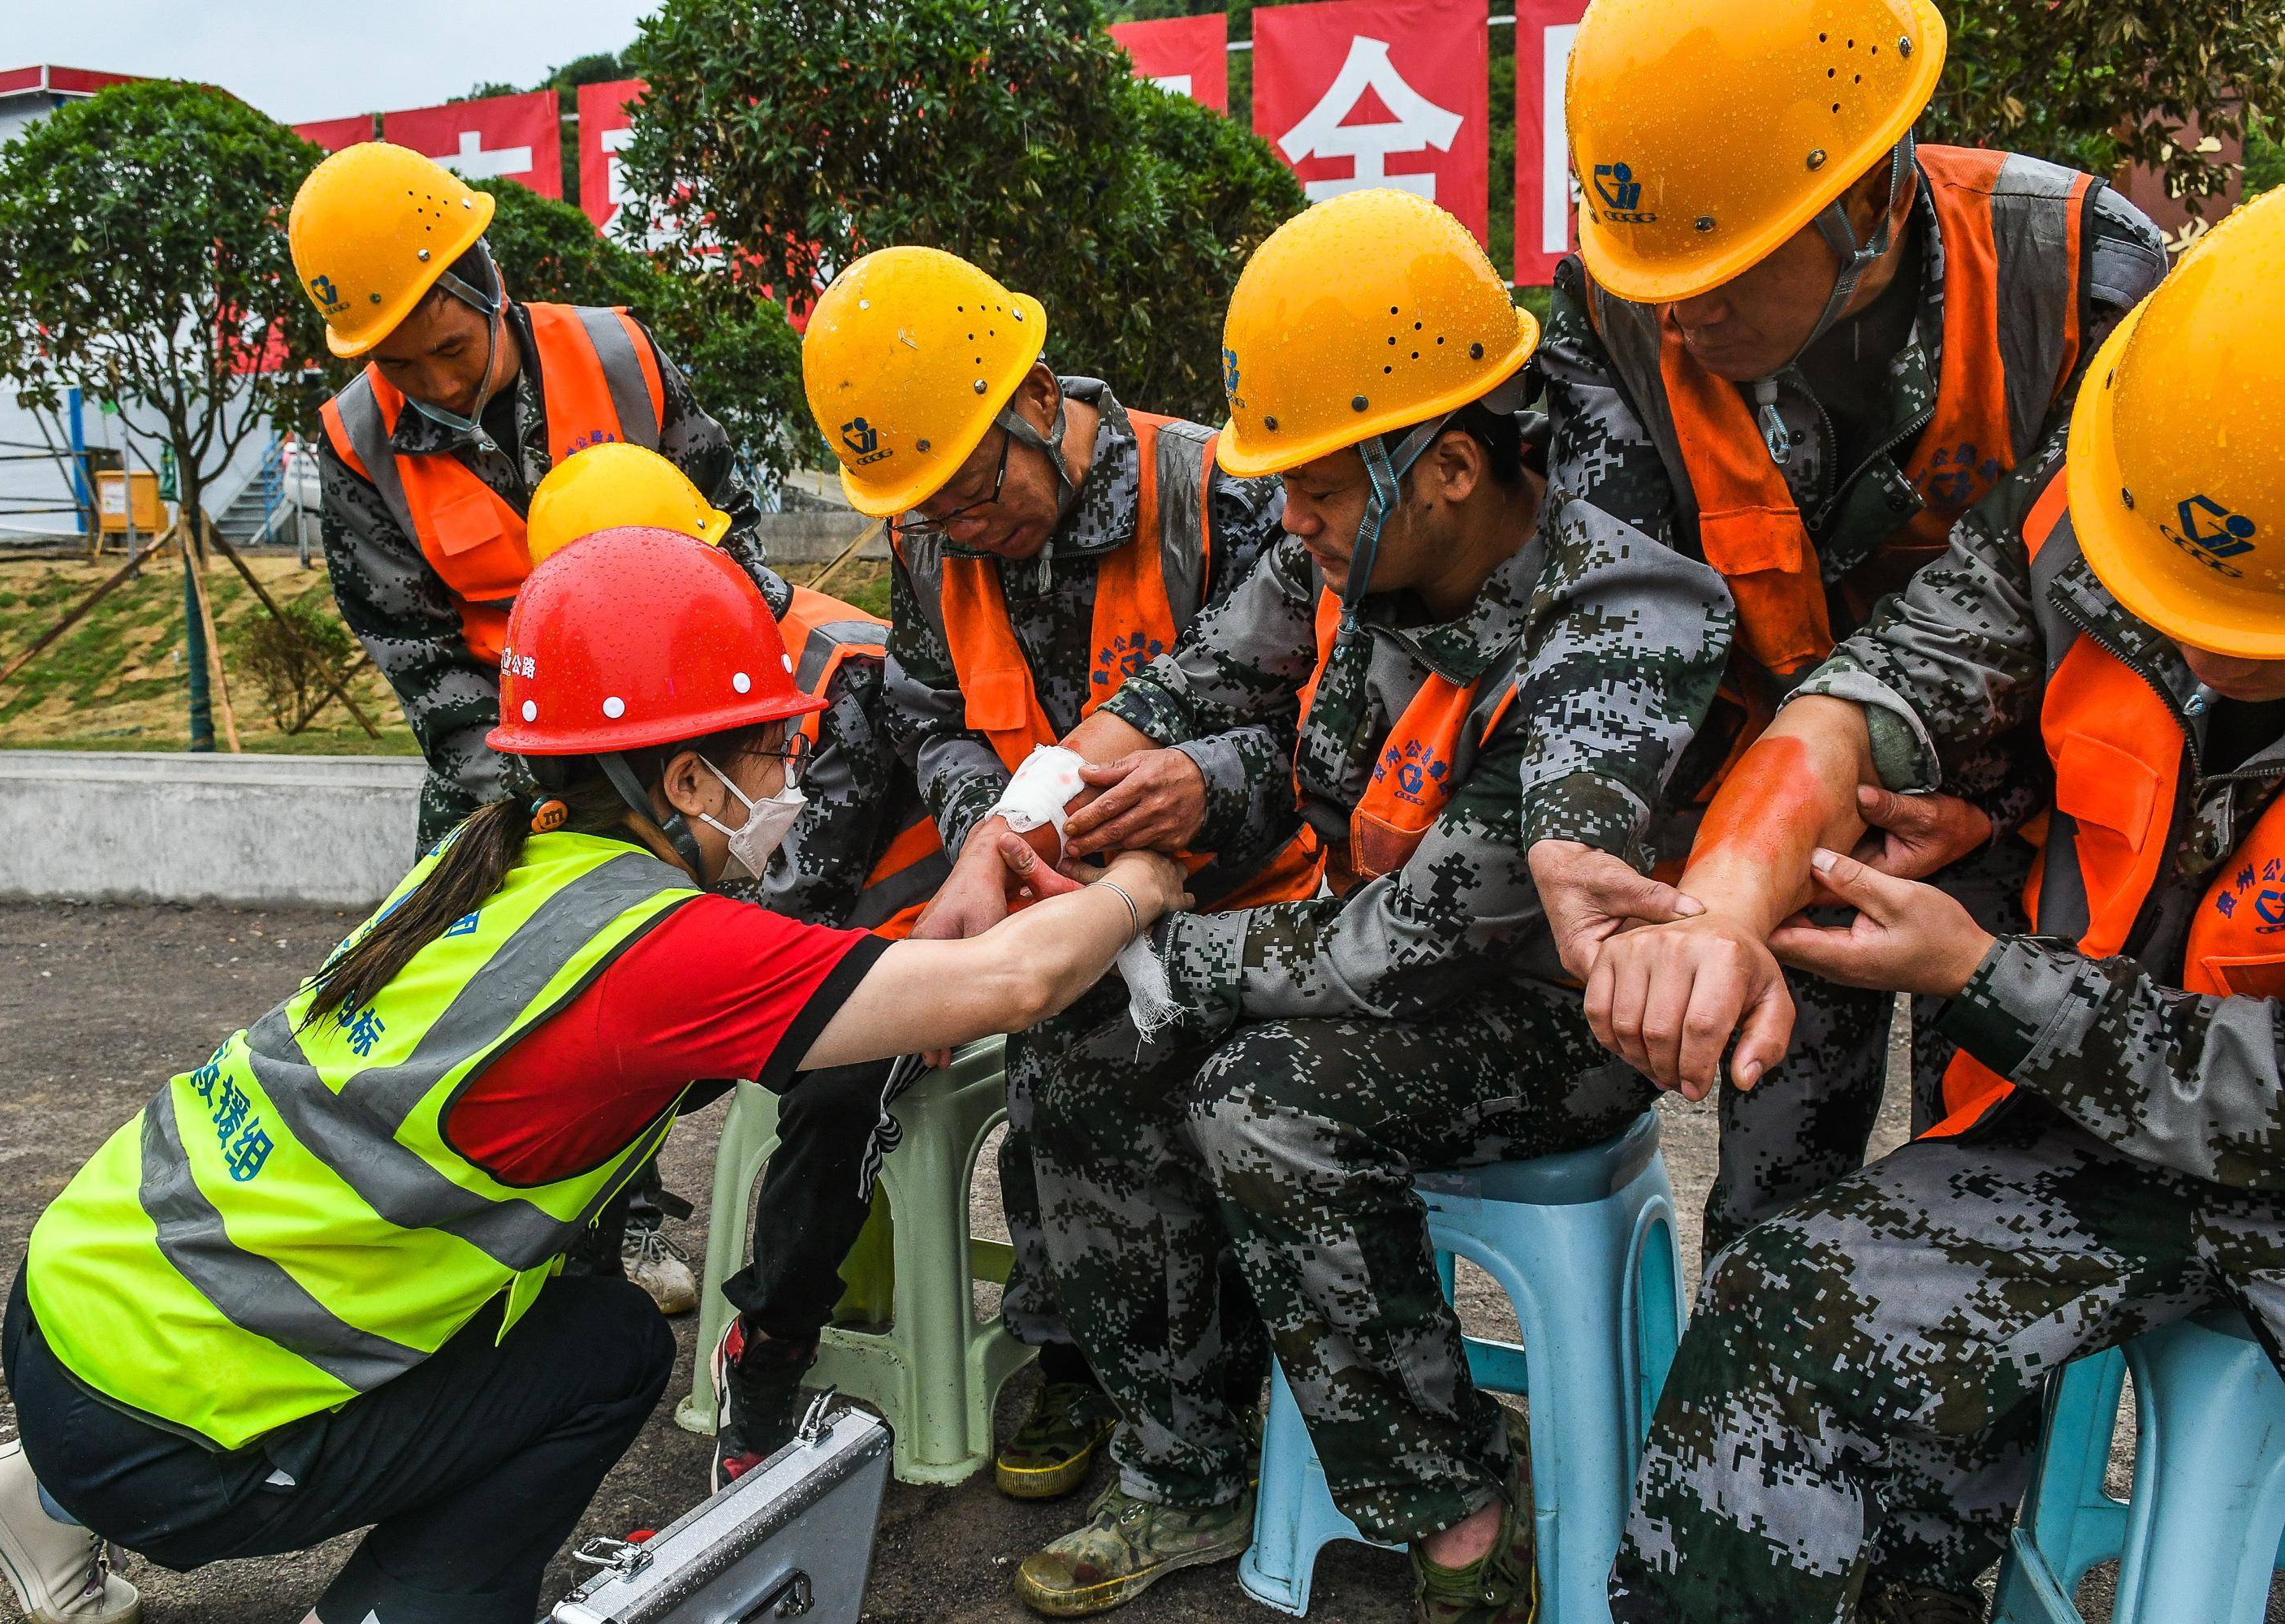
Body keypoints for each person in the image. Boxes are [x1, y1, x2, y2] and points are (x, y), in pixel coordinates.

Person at [0, 527, 1187, 1624]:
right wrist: (1145, 882)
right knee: (602, 1353)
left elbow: (840, 995)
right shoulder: (660, 953)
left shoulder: (496, 861)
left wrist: (967, 866)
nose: (789, 782)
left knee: (535, 1311)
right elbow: (1015, 986)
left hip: (72, 1306)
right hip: (172, 1434)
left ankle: (37, 1500)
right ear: (684, 783)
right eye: (769, 753)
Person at [1587, 190, 2285, 1624]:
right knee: (1788, 1304)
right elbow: (1872, 693)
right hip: (2107, 1129)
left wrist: (1985, 973)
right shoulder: (2111, 493)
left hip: (2232, 1114)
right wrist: (1720, 906)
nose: (2196, 656)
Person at [1001, 192, 1680, 1622]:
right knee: (1076, 1044)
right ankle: (1181, 1465)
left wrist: (1147, 941)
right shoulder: (1344, 546)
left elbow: (1419, 939)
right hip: (1373, 946)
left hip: (1556, 1017)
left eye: (1312, 489)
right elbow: (1193, 688)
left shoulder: (1619, 622)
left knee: (1263, 1098)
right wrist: (1028, 827)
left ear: (1441, 468)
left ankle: (1455, 1514)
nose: (1284, 518)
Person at [1518, 0, 2166, 1251]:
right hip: (1778, 831)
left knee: (1991, 1197)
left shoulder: (2075, 280)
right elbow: (1614, 594)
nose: (1675, 323)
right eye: (1649, 280)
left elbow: (2148, 637)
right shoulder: (1618, 308)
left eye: (1715, 278)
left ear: (1863, 201)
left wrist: (2004, 803)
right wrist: (1582, 827)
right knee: (1771, 1196)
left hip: (2034, 830)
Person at [801, 245, 1320, 1501]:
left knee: (1109, 1073)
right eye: (932, 516)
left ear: (1036, 399)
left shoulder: (1218, 489)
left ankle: (1187, 1431)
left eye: (976, 494)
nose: (965, 532)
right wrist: (993, 829)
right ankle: (1084, 1351)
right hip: (1050, 890)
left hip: (1248, 888)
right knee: (1040, 1044)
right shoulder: (929, 537)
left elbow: (1327, 722)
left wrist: (1204, 783)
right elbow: (930, 716)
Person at [293, 142, 784, 1311]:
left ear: (489, 283)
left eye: (450, 350)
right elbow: (413, 652)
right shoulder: (360, 441)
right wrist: (536, 809)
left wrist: (714, 741)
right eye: (400, 366)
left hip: (678, 737)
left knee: (666, 983)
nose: (436, 384)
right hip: (500, 760)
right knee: (492, 1008)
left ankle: (630, 1214)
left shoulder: (616, 358)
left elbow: (734, 540)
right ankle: (511, 1245)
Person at [523, 443, 950, 1484]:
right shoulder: (634, 692)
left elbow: (797, 894)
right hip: (759, 936)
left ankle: (768, 1351)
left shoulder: (832, 670)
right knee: (582, 1050)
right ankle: (546, 1296)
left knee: (837, 1082)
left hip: (900, 936)